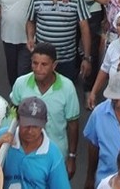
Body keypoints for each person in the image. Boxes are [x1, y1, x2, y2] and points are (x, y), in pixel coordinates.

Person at [10, 44, 81, 178]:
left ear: (54, 65)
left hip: (57, 154)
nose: (38, 69)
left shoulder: (67, 87)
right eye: (35, 63)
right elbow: (13, 115)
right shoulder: (20, 83)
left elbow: (73, 124)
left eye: (44, 64)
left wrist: (72, 157)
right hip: (26, 153)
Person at [26, 0, 92, 83]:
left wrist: (86, 58)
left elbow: (84, 29)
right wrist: (30, 37)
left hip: (67, 60)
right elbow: (30, 21)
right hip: (43, 61)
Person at [0, 96, 71, 189]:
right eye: (26, 125)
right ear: (18, 120)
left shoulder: (53, 154)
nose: (30, 131)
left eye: (35, 126)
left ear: (44, 124)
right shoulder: (1, 137)